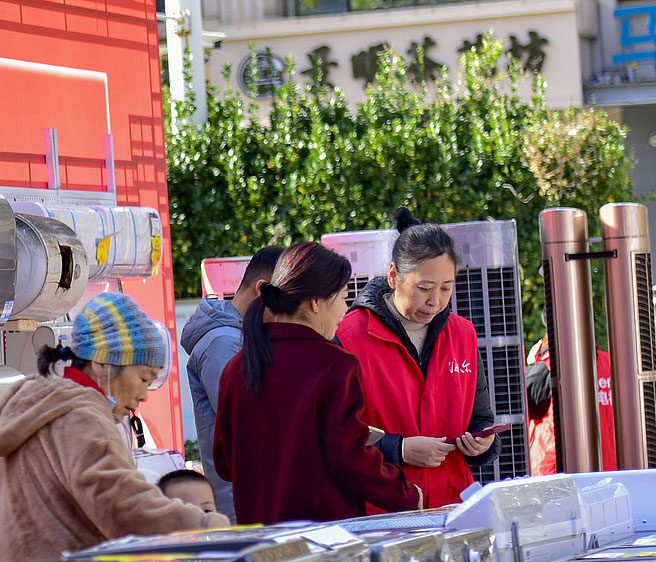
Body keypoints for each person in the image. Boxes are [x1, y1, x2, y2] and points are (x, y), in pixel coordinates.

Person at [0, 292, 228, 562]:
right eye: (143, 378)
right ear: (102, 364)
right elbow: (120, 502)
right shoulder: (80, 416)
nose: (144, 394)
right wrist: (203, 526)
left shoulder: (32, 407)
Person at [213, 242, 422, 523]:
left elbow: (225, 464)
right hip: (324, 541)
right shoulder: (336, 365)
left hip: (261, 542)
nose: (344, 310)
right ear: (315, 302)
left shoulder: (235, 368)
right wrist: (406, 494)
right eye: (342, 297)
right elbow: (350, 458)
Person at [336, 210, 495, 508]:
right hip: (383, 510)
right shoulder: (349, 337)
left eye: (446, 288)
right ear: (394, 276)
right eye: (424, 288)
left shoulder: (463, 334)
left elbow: (481, 418)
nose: (435, 300)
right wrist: (400, 449)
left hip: (455, 504)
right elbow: (337, 436)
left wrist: (482, 443)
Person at [181, 246, 282, 520]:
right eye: (288, 302)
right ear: (262, 291)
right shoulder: (223, 343)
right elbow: (249, 427)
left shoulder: (237, 337)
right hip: (244, 508)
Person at [523, 333, 615, 474]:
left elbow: (515, 407)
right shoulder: (613, 364)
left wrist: (532, 367)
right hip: (611, 472)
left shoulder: (548, 369)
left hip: (556, 474)